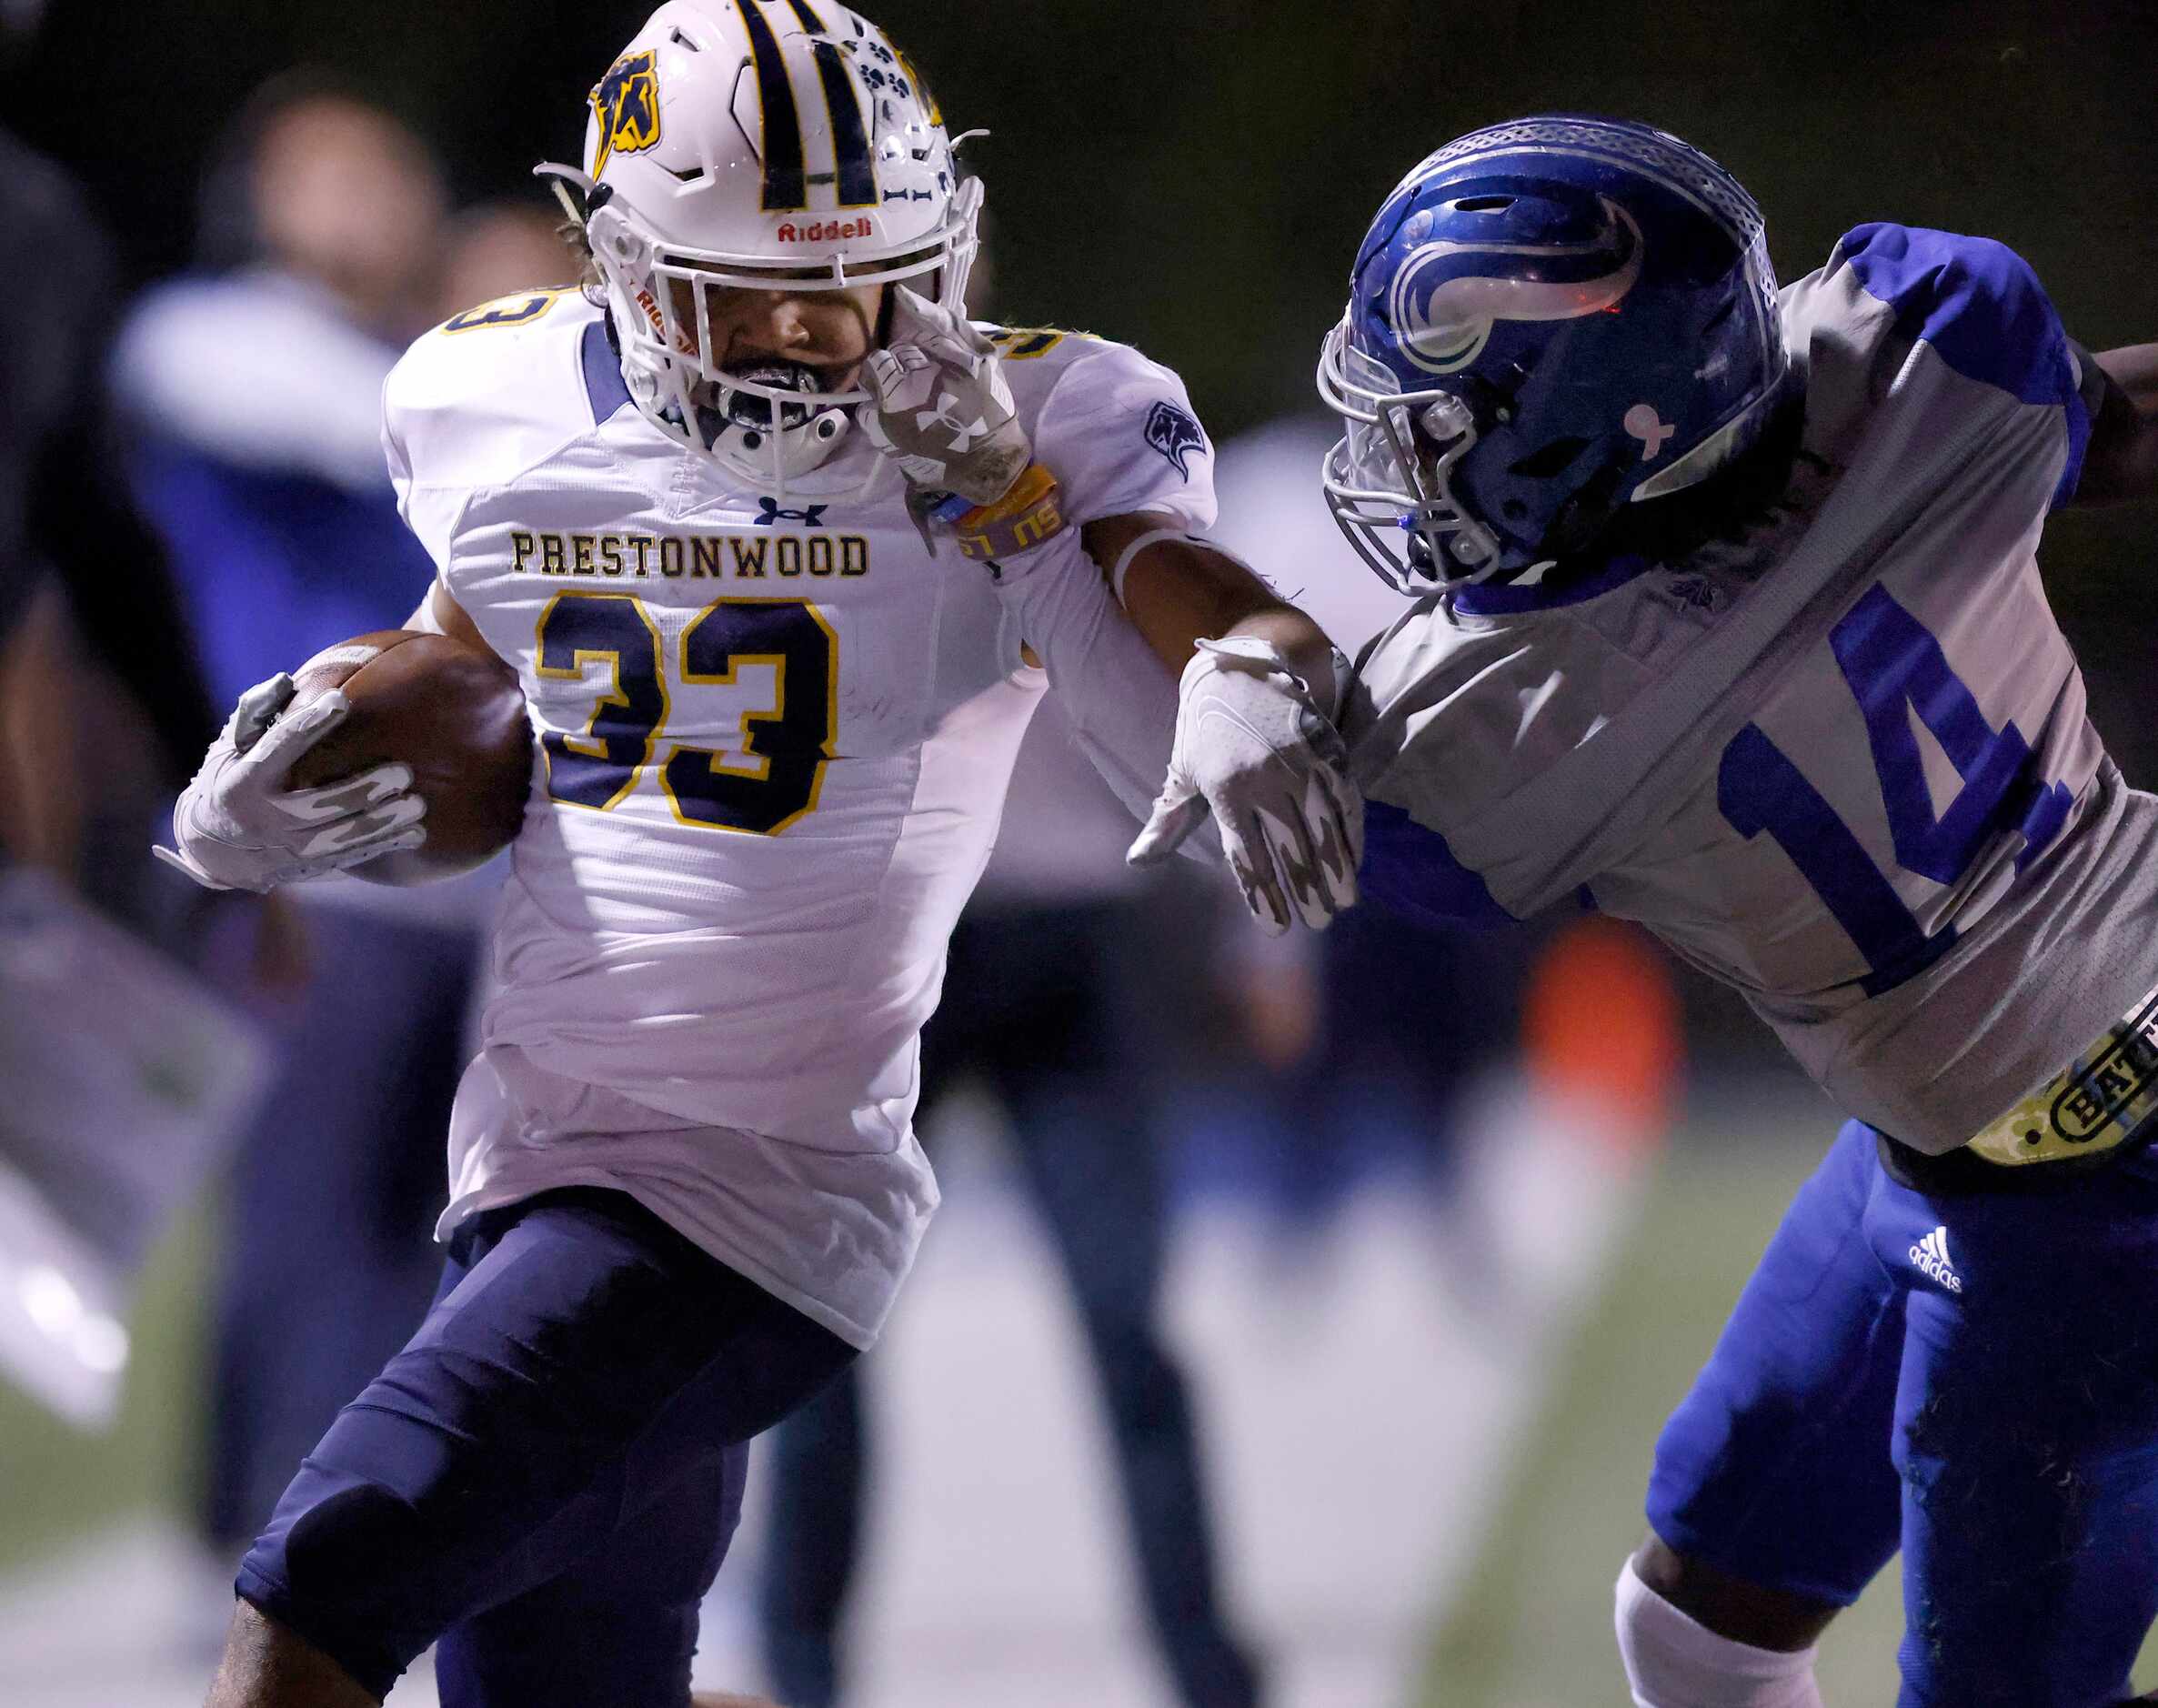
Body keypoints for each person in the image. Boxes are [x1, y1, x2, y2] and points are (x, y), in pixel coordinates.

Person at [156, 6, 1360, 1705]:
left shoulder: (1028, 413)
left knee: (318, 1587)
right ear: (623, 265)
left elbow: (1148, 699)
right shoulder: (482, 391)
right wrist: (288, 796)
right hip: (527, 1152)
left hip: (744, 1183)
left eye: (869, 270)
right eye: (760, 284)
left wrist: (1058, 544)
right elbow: (471, 676)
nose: (822, 325)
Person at [1302, 115, 2158, 1705]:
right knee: (1692, 1620)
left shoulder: (1508, 720)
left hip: (2092, 1199)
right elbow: (2089, 419)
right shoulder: (1911, 360)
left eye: (1441, 420)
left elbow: (1350, 826)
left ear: (1577, 426)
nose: (1406, 455)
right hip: (1959, 1133)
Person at [111, 76, 501, 1569]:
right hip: (300, 862)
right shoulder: (215, 339)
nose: (369, 204)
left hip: (450, 871)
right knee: (304, 1216)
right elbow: (355, 423)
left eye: (389, 173)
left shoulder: (419, 365)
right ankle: (270, 1545)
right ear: (264, 199)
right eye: (332, 175)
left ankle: (296, 1527)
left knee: (411, 1226)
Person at [758, 693, 1261, 1708]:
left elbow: (1188, 681)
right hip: (884, 927)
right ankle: (798, 1675)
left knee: (1127, 1324)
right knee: (816, 1333)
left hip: (1073, 922)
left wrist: (1264, 933)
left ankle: (1211, 1675)